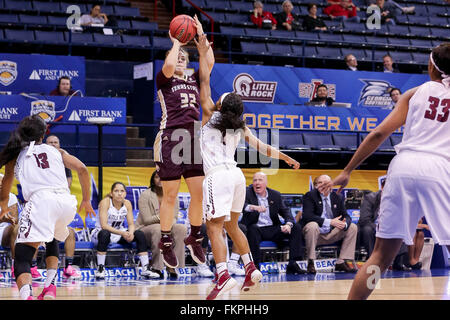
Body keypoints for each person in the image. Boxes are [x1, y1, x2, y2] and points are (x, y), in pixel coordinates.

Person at [318, 43, 450, 300]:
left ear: (431, 65)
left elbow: (379, 133)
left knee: (381, 256)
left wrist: (347, 170)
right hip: (439, 168)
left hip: (403, 167)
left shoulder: (412, 94)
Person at [195, 34, 301, 299]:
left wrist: (202, 51)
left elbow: (204, 79)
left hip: (217, 176)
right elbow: (264, 149)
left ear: (221, 104)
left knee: (214, 228)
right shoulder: (241, 126)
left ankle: (222, 276)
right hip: (237, 177)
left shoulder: (209, 113)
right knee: (232, 226)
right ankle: (250, 267)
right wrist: (286, 158)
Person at [0, 115, 94, 300]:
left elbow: (7, 183)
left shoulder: (15, 156)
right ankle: (50, 287)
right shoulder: (57, 151)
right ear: (44, 134)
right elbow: (82, 169)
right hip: (66, 202)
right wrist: (87, 200)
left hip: (41, 201)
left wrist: (3, 203)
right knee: (51, 239)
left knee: (21, 256)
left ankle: (27, 296)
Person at [153, 15, 214, 271]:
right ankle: (166, 241)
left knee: (199, 192)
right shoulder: (164, 79)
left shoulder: (192, 79)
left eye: (183, 58)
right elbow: (168, 65)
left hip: (194, 138)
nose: (179, 60)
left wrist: (201, 39)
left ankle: (195, 236)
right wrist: (176, 43)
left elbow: (208, 64)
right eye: (177, 57)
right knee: (170, 195)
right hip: (170, 137)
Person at [242, 172, 306, 275]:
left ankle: (292, 264)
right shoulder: (247, 193)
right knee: (252, 229)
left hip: (273, 228)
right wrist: (253, 207)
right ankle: (255, 267)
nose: (257, 183)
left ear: (266, 183)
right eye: (255, 180)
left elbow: (286, 212)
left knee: (296, 227)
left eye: (260, 180)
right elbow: (241, 205)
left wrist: (288, 224)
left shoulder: (275, 195)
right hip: (256, 229)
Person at [91, 182, 154, 279]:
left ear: (125, 193)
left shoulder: (127, 203)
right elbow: (104, 225)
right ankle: (100, 268)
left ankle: (145, 268)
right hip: (100, 233)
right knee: (105, 234)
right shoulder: (105, 202)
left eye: (122, 191)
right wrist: (123, 233)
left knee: (139, 234)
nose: (119, 193)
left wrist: (131, 233)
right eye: (116, 191)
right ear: (111, 193)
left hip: (118, 233)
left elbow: (131, 224)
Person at [302, 174, 358, 274]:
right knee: (312, 225)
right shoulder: (309, 195)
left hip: (331, 233)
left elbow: (346, 215)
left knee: (352, 227)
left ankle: (342, 262)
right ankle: (311, 262)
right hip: (315, 234)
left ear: (331, 185)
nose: (322, 185)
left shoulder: (337, 197)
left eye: (326, 183)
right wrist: (330, 221)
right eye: (319, 183)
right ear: (315, 186)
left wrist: (344, 224)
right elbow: (307, 216)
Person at [136, 171, 186, 279]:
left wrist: (167, 224)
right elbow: (146, 220)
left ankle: (172, 265)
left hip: (164, 227)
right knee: (159, 229)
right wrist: (164, 217)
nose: (160, 180)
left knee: (181, 228)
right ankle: (156, 267)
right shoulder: (146, 195)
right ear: (153, 180)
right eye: (157, 177)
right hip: (144, 229)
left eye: (163, 177)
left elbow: (174, 217)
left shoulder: (173, 196)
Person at [45, 134, 81, 279]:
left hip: (58, 203)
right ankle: (33, 266)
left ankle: (69, 267)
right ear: (45, 145)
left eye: (56, 142)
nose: (53, 144)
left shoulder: (64, 161)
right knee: (37, 234)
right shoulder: (40, 161)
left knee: (70, 232)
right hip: (44, 203)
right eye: (50, 142)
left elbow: (68, 184)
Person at [358, 179, 384, 258]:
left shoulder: (395, 199)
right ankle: (372, 258)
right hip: (371, 226)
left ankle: (399, 261)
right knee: (367, 229)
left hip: (387, 226)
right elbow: (364, 219)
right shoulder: (370, 198)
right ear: (382, 188)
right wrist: (378, 227)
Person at [0, 173, 19, 281]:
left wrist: (10, 219)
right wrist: (3, 218)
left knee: (16, 228)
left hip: (4, 232)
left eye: (2, 182)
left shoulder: (11, 197)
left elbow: (15, 220)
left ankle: (15, 267)